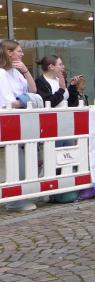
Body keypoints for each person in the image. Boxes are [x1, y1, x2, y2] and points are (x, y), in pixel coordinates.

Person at [0, 40, 38, 211]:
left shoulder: (16, 72)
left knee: (25, 159)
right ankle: (15, 200)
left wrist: (26, 71)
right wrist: (26, 100)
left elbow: (33, 89)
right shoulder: (1, 74)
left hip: (21, 121)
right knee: (17, 160)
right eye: (19, 51)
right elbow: (8, 102)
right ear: (9, 53)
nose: (22, 54)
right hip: (10, 122)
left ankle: (19, 196)